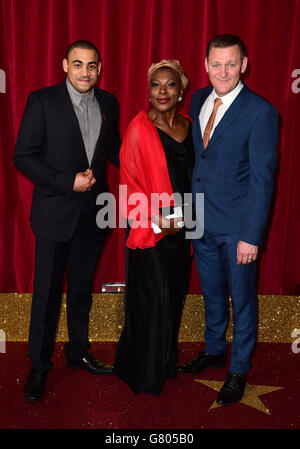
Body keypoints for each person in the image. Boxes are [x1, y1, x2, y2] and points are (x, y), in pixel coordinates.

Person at [14, 40, 121, 402]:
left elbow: (118, 152)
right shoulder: (41, 101)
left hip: (94, 217)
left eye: (91, 66)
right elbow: (23, 156)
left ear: (99, 69)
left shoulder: (109, 103)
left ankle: (77, 352)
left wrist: (161, 158)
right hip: (54, 215)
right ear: (65, 65)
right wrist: (66, 181)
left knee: (80, 289)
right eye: (78, 64)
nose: (85, 72)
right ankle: (40, 365)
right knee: (46, 295)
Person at [178, 34, 278, 406]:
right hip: (201, 223)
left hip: (238, 228)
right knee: (212, 292)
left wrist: (251, 236)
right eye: (216, 64)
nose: (223, 72)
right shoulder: (200, 98)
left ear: (244, 64)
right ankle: (215, 349)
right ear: (205, 65)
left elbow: (262, 179)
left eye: (231, 64)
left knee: (243, 298)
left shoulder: (261, 112)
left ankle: (238, 369)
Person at [114, 60, 194, 395]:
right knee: (151, 301)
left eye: (170, 85)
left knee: (174, 297)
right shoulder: (138, 127)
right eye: (155, 85)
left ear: (181, 90)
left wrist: (186, 219)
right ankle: (142, 372)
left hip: (186, 226)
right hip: (152, 230)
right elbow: (127, 183)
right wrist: (157, 219)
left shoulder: (191, 126)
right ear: (148, 89)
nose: (162, 92)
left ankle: (165, 361)